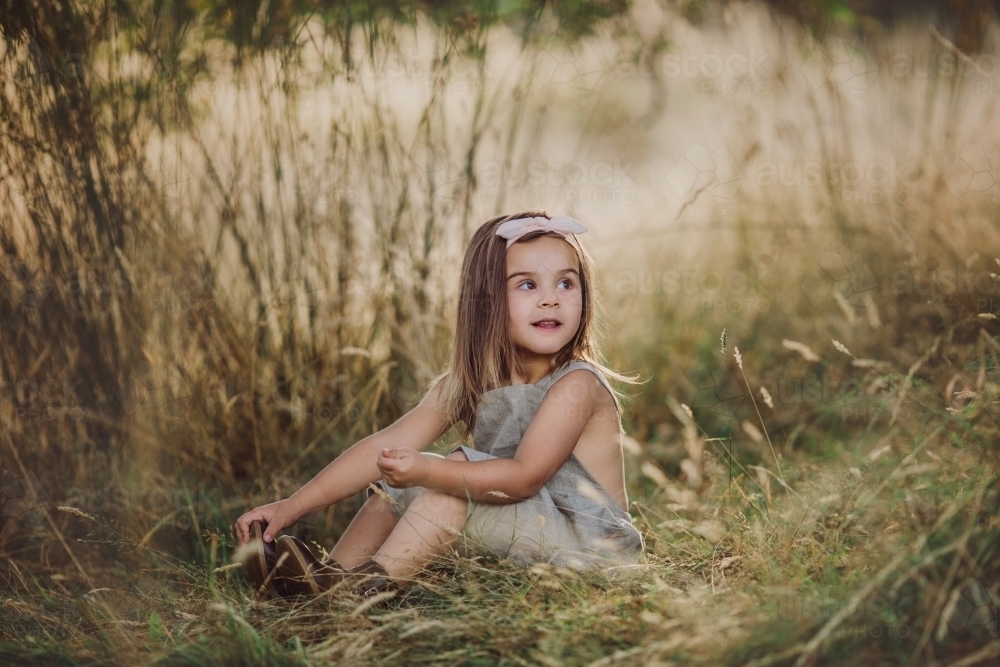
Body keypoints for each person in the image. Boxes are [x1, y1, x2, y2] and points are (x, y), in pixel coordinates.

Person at [235, 210, 645, 598]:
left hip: (593, 553)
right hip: (533, 530)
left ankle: (355, 597)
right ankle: (329, 579)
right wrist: (293, 507)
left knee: (450, 483)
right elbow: (384, 447)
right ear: (486, 301)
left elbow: (523, 478)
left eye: (565, 283)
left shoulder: (577, 385)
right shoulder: (473, 381)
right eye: (526, 285)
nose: (550, 299)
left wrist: (430, 469)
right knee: (392, 490)